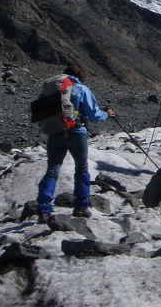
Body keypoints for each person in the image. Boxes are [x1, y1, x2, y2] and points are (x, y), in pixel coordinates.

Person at [35, 65, 115, 220]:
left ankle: (43, 208)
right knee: (82, 169)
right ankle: (81, 206)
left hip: (55, 131)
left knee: (53, 169)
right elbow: (93, 114)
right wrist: (106, 114)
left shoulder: (52, 88)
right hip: (77, 132)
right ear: (79, 76)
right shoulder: (81, 89)